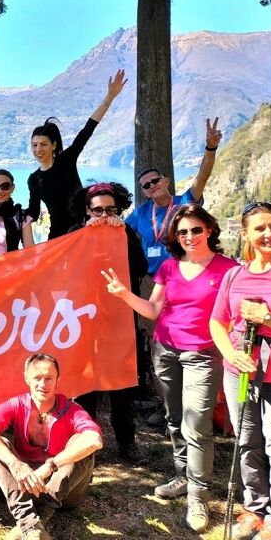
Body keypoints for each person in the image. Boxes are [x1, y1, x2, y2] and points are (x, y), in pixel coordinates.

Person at [102, 204, 237, 532]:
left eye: (196, 229)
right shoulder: (169, 267)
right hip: (165, 351)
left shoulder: (229, 270)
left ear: (209, 230)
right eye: (182, 232)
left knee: (197, 424)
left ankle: (198, 497)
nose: (190, 236)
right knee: (175, 421)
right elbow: (153, 310)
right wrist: (123, 295)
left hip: (203, 355)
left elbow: (237, 312)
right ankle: (182, 475)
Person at [209, 202, 271, 540]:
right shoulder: (235, 275)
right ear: (245, 233)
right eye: (259, 228)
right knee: (247, 441)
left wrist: (268, 317)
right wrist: (230, 355)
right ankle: (254, 507)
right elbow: (218, 322)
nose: (269, 234)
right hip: (240, 370)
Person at [0, 353, 103, 540]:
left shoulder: (71, 410)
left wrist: (51, 465)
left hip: (65, 490)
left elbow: (94, 440)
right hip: (27, 484)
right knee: (0, 446)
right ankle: (33, 528)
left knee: (79, 443)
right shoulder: (16, 404)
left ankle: (32, 521)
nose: (43, 384)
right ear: (27, 378)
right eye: (37, 378)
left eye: (49, 378)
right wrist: (16, 463)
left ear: (57, 380)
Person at [68, 183, 149, 465]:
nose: (103, 215)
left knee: (122, 388)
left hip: (121, 323)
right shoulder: (75, 235)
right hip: (86, 323)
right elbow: (62, 270)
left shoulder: (127, 234)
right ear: (87, 211)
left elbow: (140, 268)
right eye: (98, 210)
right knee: (86, 388)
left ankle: (127, 444)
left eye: (110, 210)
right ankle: (88, 444)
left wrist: (121, 234)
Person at [26, 69, 127, 239]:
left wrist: (109, 97)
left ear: (54, 145)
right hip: (58, 237)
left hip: (85, 229)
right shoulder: (34, 179)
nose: (38, 149)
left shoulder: (66, 160)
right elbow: (33, 213)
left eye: (43, 144)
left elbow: (87, 130)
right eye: (34, 145)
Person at [125, 118, 222, 278]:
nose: (152, 185)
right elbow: (118, 231)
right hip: (150, 279)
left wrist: (211, 147)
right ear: (144, 192)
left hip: (181, 275)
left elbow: (202, 177)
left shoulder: (184, 203)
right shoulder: (140, 213)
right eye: (146, 185)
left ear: (166, 181)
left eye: (155, 181)